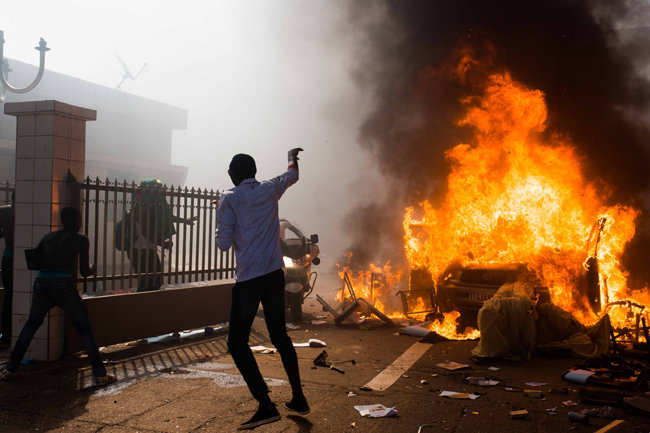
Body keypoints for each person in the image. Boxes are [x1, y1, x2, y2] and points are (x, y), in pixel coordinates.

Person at [216, 148, 309, 430]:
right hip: (274, 275)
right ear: (254, 171)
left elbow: (222, 243)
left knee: (237, 342)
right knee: (279, 336)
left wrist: (225, 216)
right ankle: (299, 397)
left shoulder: (229, 198)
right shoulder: (270, 189)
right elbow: (292, 175)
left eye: (230, 171)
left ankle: (265, 404)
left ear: (234, 173)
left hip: (249, 280)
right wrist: (292, 157)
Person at [0, 207, 116, 386]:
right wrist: (92, 269)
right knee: (84, 327)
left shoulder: (48, 237)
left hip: (41, 282)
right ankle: (99, 374)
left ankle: (10, 368)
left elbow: (35, 260)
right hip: (62, 284)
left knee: (31, 324)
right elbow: (84, 271)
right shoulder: (81, 239)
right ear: (78, 222)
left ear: (62, 221)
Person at [130, 179, 197, 292]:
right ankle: (142, 302)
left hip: (143, 251)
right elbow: (146, 232)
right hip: (143, 252)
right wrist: (163, 244)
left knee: (148, 282)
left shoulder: (144, 207)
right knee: (152, 282)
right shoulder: (144, 209)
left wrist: (185, 221)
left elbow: (166, 217)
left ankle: (143, 301)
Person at [0, 192, 14, 349]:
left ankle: (6, 336)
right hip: (27, 257)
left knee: (9, 296)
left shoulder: (4, 211)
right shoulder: (32, 212)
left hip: (9, 257)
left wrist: (5, 231)